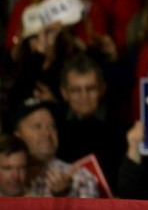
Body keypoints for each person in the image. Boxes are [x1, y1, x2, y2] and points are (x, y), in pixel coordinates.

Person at [56, 53, 125, 191]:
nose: (84, 96)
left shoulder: (120, 130)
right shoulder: (54, 128)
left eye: (90, 89)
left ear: (102, 89)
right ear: (64, 93)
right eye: (76, 90)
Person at [13, 98, 99, 197]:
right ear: (18, 136)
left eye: (51, 126)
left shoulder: (80, 177)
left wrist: (65, 196)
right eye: (37, 127)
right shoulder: (6, 176)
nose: (47, 133)